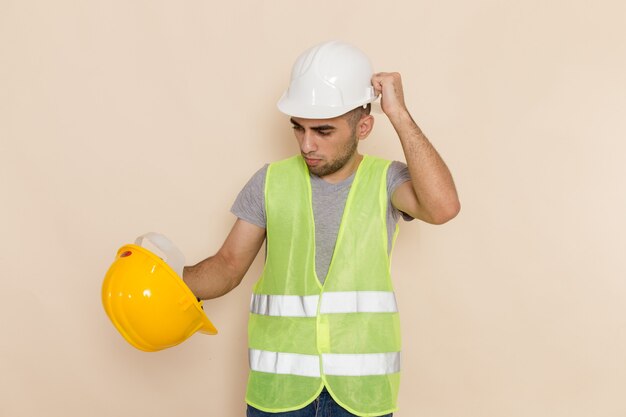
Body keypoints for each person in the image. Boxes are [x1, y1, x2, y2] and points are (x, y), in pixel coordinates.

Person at [183, 40, 460, 417]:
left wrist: (400, 114)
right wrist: (161, 279)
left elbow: (443, 208)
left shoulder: (387, 180)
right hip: (279, 394)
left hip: (359, 396)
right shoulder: (269, 182)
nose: (307, 145)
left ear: (363, 126)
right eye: (299, 129)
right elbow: (228, 266)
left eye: (324, 131)